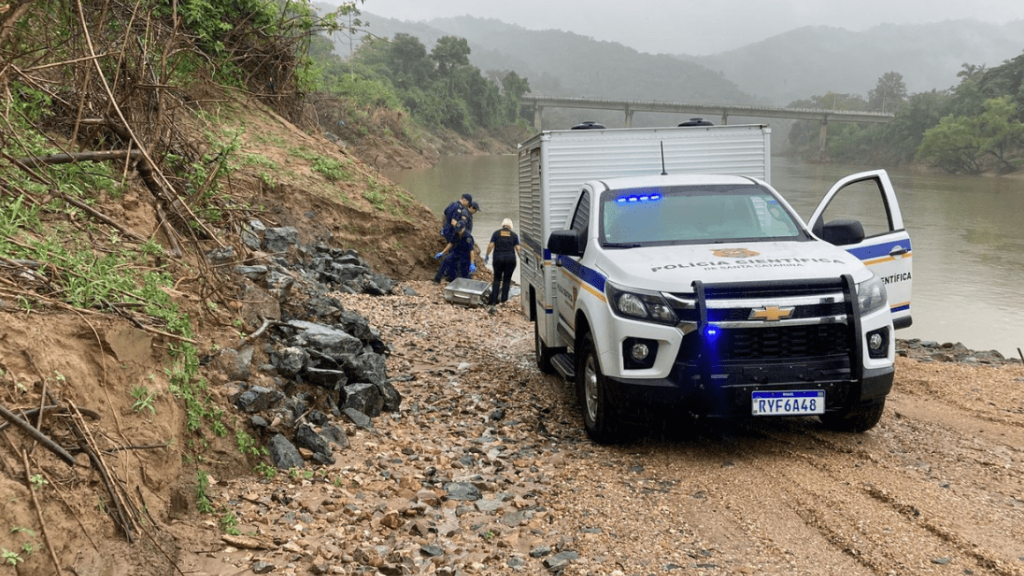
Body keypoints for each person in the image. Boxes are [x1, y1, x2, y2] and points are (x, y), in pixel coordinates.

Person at [484, 218, 521, 307]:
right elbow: (518, 249)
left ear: (502, 225)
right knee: (507, 281)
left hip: (498, 259)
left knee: (497, 279)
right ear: (511, 227)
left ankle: (493, 302)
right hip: (510, 260)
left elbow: (490, 245)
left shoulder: (496, 233)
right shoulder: (514, 235)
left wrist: (487, 255)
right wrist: (522, 260)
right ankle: (503, 302)